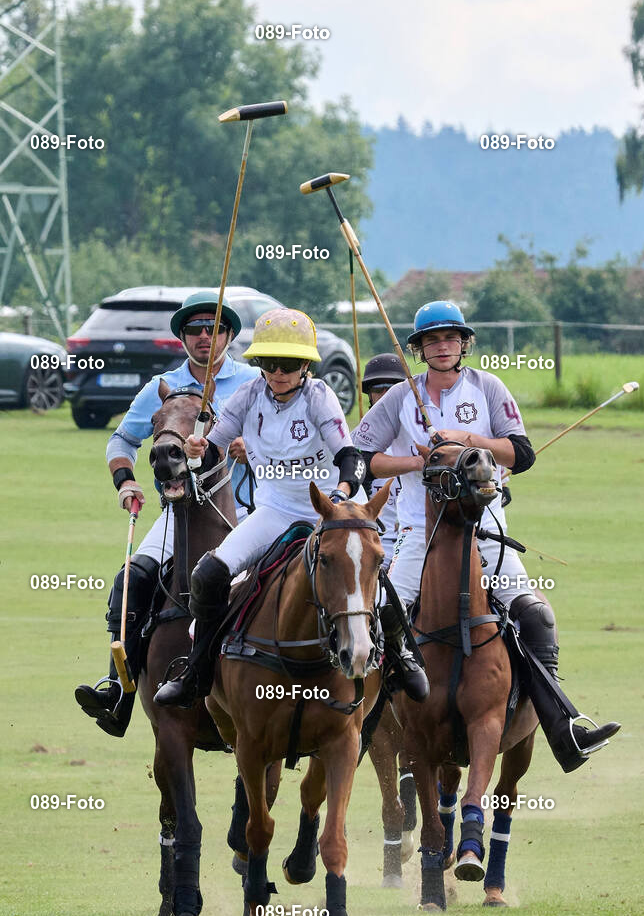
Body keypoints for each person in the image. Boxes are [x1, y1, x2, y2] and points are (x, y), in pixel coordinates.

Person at [354, 300, 620, 773]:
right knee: (380, 614)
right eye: (431, 340)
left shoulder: (488, 388)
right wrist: (417, 463)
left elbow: (521, 453)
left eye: (450, 338)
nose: (442, 346)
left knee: (535, 614)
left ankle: (564, 724)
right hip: (421, 532)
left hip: (486, 531)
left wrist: (466, 439)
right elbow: (359, 457)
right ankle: (365, 722)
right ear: (417, 348)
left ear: (463, 344)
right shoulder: (401, 398)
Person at [153, 307, 428, 708]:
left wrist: (342, 493)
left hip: (327, 513)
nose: (279, 372)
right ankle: (197, 671)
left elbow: (350, 456)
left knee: (375, 579)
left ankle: (400, 658)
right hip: (274, 511)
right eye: (269, 363)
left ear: (305, 365)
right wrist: (196, 449)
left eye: (290, 363)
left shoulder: (319, 397)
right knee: (208, 574)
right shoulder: (249, 396)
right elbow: (212, 445)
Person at [74, 291, 259, 737]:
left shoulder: (254, 382)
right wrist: (127, 482)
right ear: (182, 338)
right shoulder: (163, 388)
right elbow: (121, 441)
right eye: (193, 330)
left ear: (229, 336)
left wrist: (251, 450)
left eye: (212, 329)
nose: (203, 337)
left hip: (251, 512)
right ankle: (119, 688)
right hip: (180, 515)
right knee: (131, 578)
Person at [356, 354, 404, 568]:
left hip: (422, 541)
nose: (386, 396)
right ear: (369, 395)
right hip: (374, 544)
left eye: (393, 388)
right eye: (378, 389)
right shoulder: (350, 442)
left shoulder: (425, 437)